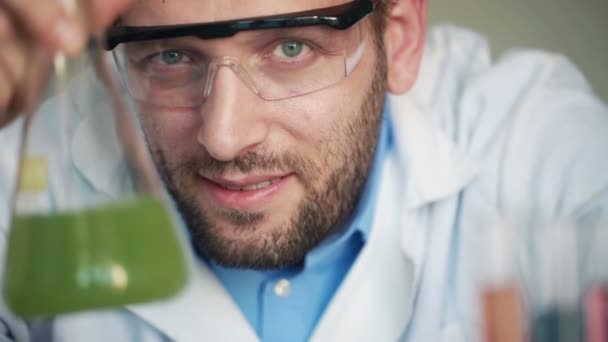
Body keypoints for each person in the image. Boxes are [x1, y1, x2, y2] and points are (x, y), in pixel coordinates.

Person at [1, 0, 607, 341]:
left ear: (397, 39)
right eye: (171, 55)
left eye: (291, 48)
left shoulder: (531, 141)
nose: (224, 136)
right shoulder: (22, 167)